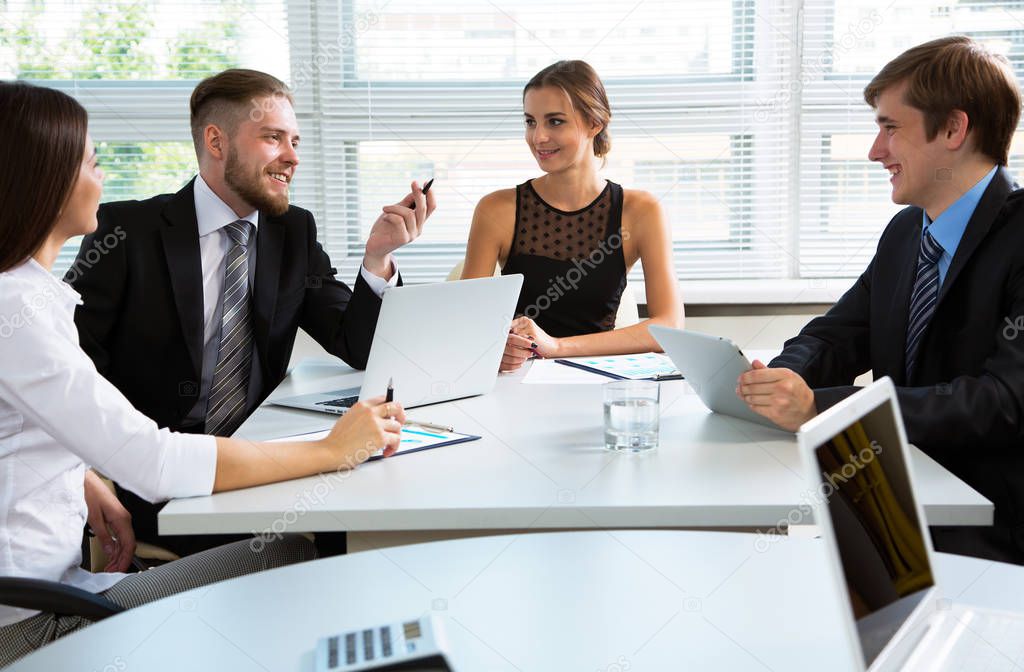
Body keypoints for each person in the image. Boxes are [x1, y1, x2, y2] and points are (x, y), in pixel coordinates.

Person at [0, 81, 407, 666]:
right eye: (90, 159)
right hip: (36, 621)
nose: (101, 172)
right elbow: (153, 461)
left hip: (57, 587)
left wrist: (78, 473)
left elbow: (42, 412)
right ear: (44, 176)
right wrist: (331, 449)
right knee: (284, 555)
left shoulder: (27, 299)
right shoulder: (28, 305)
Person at [67, 69, 434, 555]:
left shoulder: (293, 231)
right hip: (160, 476)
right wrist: (85, 473)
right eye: (272, 138)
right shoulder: (125, 231)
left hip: (267, 463)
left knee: (369, 526)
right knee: (320, 549)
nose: (292, 157)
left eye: (295, 140)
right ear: (216, 142)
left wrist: (378, 258)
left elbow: (357, 344)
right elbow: (71, 371)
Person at [736, 36, 1024, 563]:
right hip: (896, 502)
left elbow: (1003, 402)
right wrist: (784, 379)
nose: (875, 152)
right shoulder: (907, 232)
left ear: (955, 129)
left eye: (891, 128)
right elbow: (837, 334)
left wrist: (822, 408)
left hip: (990, 528)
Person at [461, 60, 682, 372]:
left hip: (600, 382)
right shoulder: (496, 209)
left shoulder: (641, 211)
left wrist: (557, 347)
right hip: (516, 382)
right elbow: (466, 322)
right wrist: (494, 347)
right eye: (530, 122)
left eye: (554, 122)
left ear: (595, 122)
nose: (538, 137)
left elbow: (669, 327)